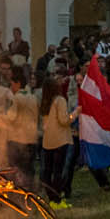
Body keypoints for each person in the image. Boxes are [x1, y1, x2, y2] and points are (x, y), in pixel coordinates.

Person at [38, 76, 74, 207]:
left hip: (47, 141)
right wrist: (75, 113)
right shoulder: (60, 100)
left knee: (47, 172)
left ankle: (51, 198)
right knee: (58, 172)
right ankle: (57, 199)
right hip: (60, 140)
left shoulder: (45, 102)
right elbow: (64, 120)